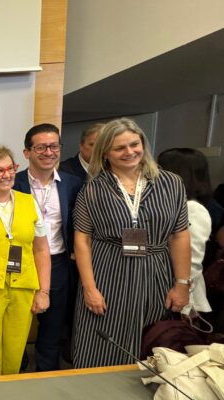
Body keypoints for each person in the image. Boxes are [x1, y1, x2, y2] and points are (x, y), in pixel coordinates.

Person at [72, 118, 191, 368]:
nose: (130, 152)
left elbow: (179, 235)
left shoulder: (171, 183)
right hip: (108, 274)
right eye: (120, 148)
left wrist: (182, 284)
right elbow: (82, 239)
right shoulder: (92, 189)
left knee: (153, 341)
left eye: (134, 144)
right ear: (105, 153)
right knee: (101, 342)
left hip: (156, 275)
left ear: (143, 144)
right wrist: (89, 288)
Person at [0, 146, 51, 376]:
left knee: (15, 353)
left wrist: (43, 291)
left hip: (23, 288)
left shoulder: (29, 202)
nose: (7, 174)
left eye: (10, 168)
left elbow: (41, 249)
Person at [14, 124, 81, 371]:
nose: (48, 152)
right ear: (27, 152)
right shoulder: (12, 182)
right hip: (19, 262)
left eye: (54, 146)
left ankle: (46, 376)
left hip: (57, 263)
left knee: (53, 327)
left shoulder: (73, 184)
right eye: (41, 147)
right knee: (16, 324)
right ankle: (15, 372)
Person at [157, 148, 213, 314]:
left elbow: (192, 259)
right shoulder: (168, 203)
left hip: (179, 297)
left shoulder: (192, 208)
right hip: (163, 289)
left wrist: (182, 292)